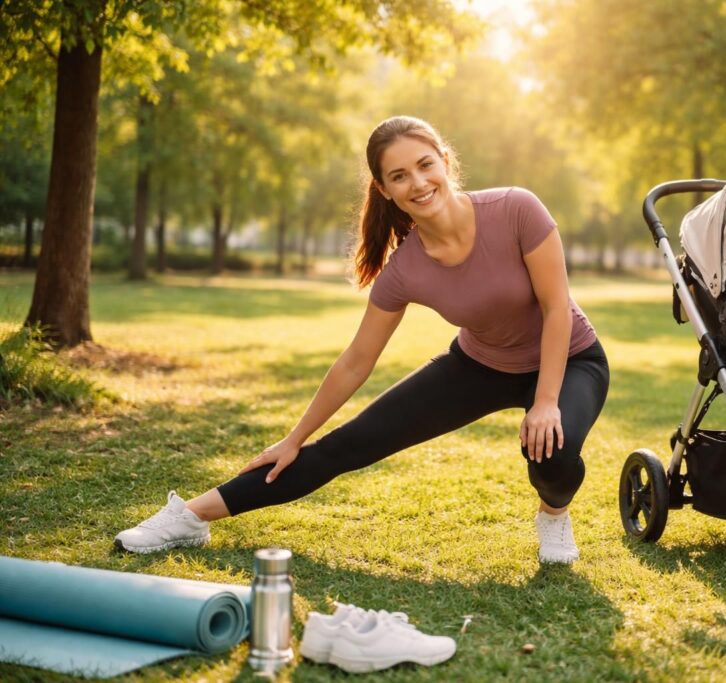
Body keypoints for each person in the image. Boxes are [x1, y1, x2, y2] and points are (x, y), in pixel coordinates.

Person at [114, 116, 609, 567]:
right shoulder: (405, 269)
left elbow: (555, 307)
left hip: (570, 358)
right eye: (399, 176)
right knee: (342, 447)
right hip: (478, 366)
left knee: (552, 451)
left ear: (445, 161)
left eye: (424, 165)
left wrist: (545, 401)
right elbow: (356, 361)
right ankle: (190, 517)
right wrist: (294, 438)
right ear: (386, 190)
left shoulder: (516, 209)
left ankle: (552, 513)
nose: (418, 183)